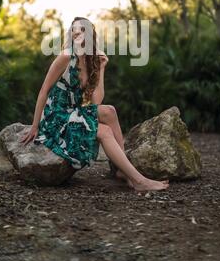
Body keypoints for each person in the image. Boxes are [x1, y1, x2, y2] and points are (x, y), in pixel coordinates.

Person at [21, 16, 169, 192]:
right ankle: (138, 180)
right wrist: (35, 125)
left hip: (73, 111)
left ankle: (122, 170)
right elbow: (44, 90)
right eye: (74, 28)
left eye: (82, 29)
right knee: (104, 131)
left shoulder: (90, 61)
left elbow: (96, 102)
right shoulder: (66, 56)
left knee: (110, 111)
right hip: (57, 116)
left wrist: (102, 68)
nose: (77, 32)